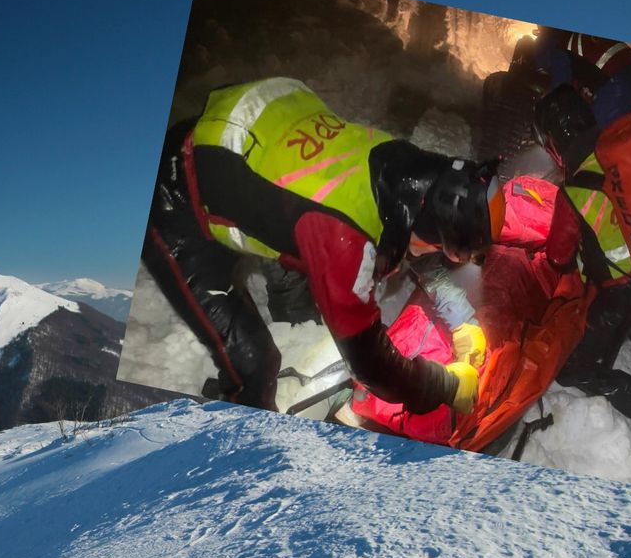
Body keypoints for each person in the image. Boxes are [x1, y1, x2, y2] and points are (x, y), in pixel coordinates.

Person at [141, 77, 501, 415]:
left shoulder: (399, 165)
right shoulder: (345, 238)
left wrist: (461, 320)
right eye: (438, 247)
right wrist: (446, 385)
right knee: (255, 362)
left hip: (247, 157)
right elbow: (372, 365)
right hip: (177, 202)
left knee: (297, 258)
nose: (431, 254)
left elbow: (413, 236)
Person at [533, 85, 631, 450]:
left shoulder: (574, 191)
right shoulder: (625, 155)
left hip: (622, 293)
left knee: (572, 368)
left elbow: (558, 255)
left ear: (555, 141)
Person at [534, 27, 631, 131]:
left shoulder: (556, 50)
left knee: (595, 135)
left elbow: (559, 89)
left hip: (618, 86)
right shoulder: (576, 36)